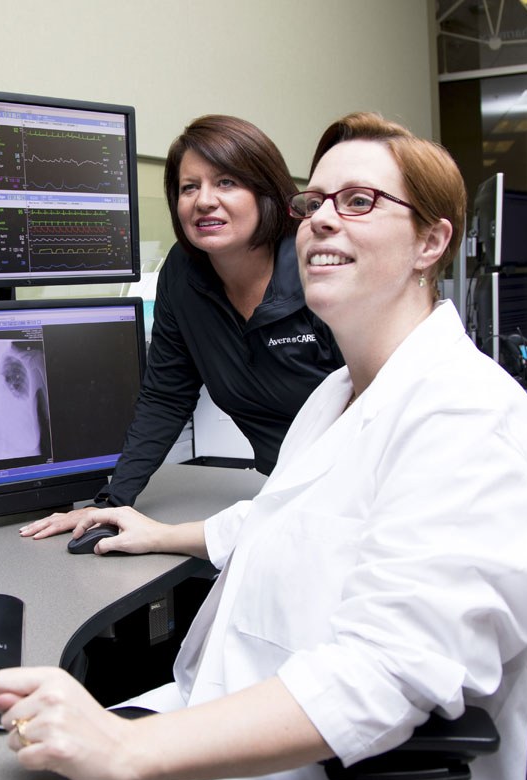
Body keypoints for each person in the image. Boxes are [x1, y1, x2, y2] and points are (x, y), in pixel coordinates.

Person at [0, 112, 527, 780]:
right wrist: (152, 527)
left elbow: (385, 676)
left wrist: (130, 747)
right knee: (7, 763)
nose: (323, 221)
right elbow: (294, 515)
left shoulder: (466, 421)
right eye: (315, 203)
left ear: (430, 240)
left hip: (328, 768)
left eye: (359, 201)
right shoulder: (339, 393)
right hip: (235, 700)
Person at [22, 115, 343, 539]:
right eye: (189, 187)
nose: (204, 201)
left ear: (267, 193)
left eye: (227, 182)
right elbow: (166, 398)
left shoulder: (319, 266)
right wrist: (112, 502)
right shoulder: (183, 275)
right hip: (288, 497)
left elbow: (372, 408)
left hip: (363, 495)